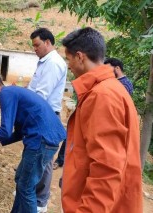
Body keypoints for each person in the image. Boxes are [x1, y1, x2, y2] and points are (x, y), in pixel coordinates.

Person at [61, 27, 142, 212]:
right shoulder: (111, 88)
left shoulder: (101, 95)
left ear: (80, 57)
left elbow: (107, 167)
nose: (69, 66)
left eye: (69, 59)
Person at [0, 74, 66, 213]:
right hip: (43, 138)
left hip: (41, 140)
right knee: (21, 179)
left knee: (26, 186)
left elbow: (5, 131)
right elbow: (19, 132)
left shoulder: (5, 94)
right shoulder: (14, 93)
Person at [26, 27, 67, 211]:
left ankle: (40, 201)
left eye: (37, 45)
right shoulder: (44, 62)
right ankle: (31, 193)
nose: (34, 49)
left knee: (45, 158)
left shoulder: (53, 63)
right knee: (36, 155)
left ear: (48, 42)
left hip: (46, 115)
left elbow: (41, 95)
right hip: (39, 114)